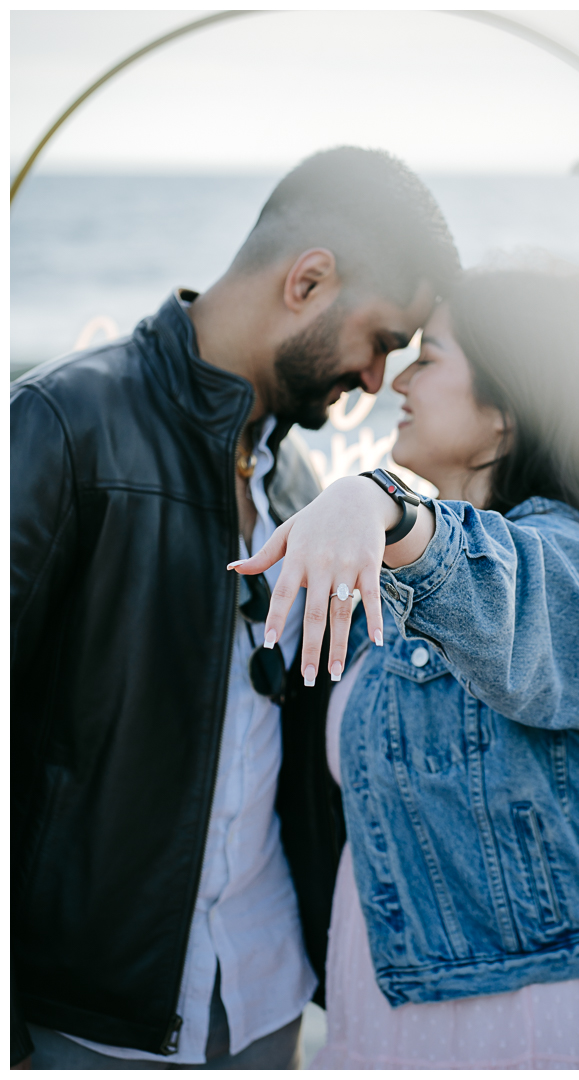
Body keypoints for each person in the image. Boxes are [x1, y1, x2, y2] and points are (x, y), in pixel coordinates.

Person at [10, 146, 460, 1069]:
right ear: (308, 280)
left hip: (265, 1002)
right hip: (86, 1017)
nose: (377, 381)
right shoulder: (57, 425)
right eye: (379, 340)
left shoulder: (299, 484)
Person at [229, 261, 579, 1069]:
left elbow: (500, 590)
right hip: (396, 1013)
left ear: (508, 412)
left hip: (536, 1026)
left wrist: (379, 499)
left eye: (432, 356)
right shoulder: (413, 583)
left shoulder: (572, 568)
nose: (400, 379)